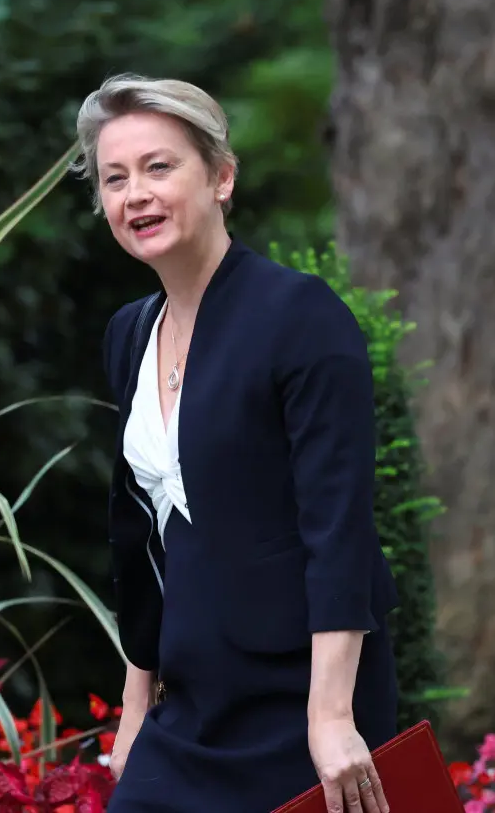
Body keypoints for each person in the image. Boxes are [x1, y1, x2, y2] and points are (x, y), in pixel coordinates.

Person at [75, 73, 401, 813]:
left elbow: (338, 528)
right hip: (192, 700)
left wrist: (331, 718)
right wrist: (134, 712)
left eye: (160, 168)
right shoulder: (129, 333)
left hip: (305, 696)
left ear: (221, 177)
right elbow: (135, 539)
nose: (136, 196)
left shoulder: (301, 317)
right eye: (115, 179)